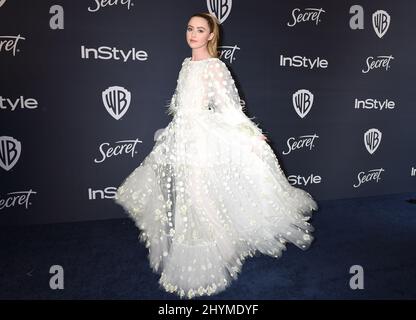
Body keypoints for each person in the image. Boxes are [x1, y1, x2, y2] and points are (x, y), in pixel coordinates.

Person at [114, 12, 318, 299]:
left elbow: (229, 106)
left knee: (198, 194)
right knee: (189, 194)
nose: (193, 34)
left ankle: (218, 248)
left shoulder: (215, 67)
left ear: (211, 35)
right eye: (190, 28)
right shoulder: (186, 65)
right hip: (181, 135)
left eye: (200, 30)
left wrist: (248, 133)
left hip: (201, 138)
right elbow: (178, 103)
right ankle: (221, 242)